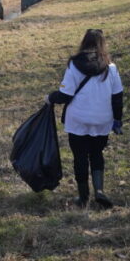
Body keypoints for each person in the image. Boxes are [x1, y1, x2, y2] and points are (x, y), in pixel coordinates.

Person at [46, 29, 124, 209]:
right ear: (102, 44)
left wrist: (50, 97)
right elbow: (117, 96)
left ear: (84, 42)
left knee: (79, 156)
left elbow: (65, 94)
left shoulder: (74, 65)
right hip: (102, 119)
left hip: (78, 119)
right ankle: (99, 190)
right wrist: (117, 120)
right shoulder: (111, 67)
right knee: (97, 154)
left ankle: (83, 197)